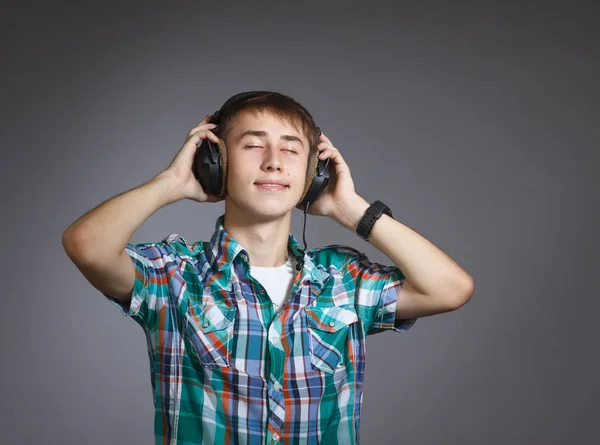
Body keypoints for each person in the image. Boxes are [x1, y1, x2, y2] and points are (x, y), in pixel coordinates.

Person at [62, 91, 474, 444]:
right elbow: (87, 246)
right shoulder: (172, 275)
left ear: (314, 173)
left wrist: (352, 210)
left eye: (292, 149)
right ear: (214, 162)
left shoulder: (343, 281)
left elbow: (450, 289)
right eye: (253, 145)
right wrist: (170, 184)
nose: (275, 161)